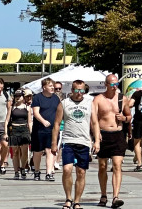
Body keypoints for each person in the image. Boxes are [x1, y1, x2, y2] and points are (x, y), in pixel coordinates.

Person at [92, 74, 131, 208]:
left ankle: (115, 197)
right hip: (103, 135)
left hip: (118, 134)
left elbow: (129, 116)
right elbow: (94, 120)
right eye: (112, 84)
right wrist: (96, 137)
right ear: (106, 84)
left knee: (117, 165)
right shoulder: (98, 99)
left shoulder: (122, 99)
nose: (115, 87)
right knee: (102, 166)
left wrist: (124, 119)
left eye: (116, 85)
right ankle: (103, 195)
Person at [54, 79, 92, 209]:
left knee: (81, 172)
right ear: (72, 90)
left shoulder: (90, 103)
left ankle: (77, 201)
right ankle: (68, 198)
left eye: (82, 90)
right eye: (77, 90)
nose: (79, 93)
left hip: (84, 141)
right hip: (68, 140)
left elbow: (95, 123)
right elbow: (57, 124)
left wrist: (97, 139)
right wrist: (54, 143)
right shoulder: (64, 103)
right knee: (67, 169)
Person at [32, 78, 61, 181]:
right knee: (38, 151)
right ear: (44, 87)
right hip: (39, 129)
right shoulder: (37, 98)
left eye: (53, 86)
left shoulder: (56, 99)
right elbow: (36, 112)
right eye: (50, 86)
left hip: (53, 129)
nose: (53, 87)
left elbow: (59, 112)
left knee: (50, 150)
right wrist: (43, 121)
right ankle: (36, 171)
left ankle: (49, 172)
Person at [9, 90, 34, 179]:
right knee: (15, 152)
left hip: (24, 129)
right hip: (14, 129)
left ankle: (23, 167)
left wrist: (31, 132)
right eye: (16, 96)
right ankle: (16, 171)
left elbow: (30, 122)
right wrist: (6, 132)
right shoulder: (11, 107)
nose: (18, 97)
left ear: (23, 97)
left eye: (19, 96)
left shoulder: (27, 108)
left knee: (24, 152)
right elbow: (7, 120)